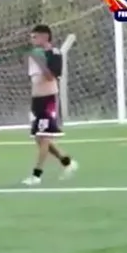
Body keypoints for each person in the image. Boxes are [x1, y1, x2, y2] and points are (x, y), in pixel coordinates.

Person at [22, 24, 77, 186]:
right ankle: (67, 162)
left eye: (35, 37)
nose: (32, 40)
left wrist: (39, 61)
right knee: (39, 139)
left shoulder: (54, 53)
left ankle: (36, 175)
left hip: (48, 100)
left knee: (44, 138)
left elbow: (51, 76)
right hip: (36, 101)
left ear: (45, 37)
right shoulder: (34, 54)